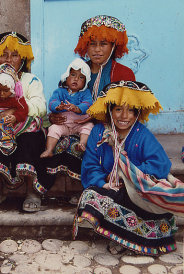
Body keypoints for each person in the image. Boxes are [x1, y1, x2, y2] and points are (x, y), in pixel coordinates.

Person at [73, 80, 180, 256]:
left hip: (136, 192)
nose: (124, 116)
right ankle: (121, 236)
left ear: (137, 113)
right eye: (118, 109)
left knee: (139, 201)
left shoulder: (142, 134)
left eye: (130, 110)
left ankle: (126, 239)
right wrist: (103, 182)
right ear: (109, 110)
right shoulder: (98, 133)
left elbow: (160, 164)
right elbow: (90, 165)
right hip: (109, 188)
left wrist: (126, 174)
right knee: (90, 196)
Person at [41, 15, 136, 196]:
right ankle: (61, 190)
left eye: (103, 44)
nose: (97, 50)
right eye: (93, 44)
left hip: (109, 128)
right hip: (74, 126)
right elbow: (58, 99)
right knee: (55, 137)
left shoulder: (124, 73)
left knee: (96, 142)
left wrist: (94, 116)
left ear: (114, 45)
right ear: (86, 45)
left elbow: (128, 111)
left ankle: (94, 189)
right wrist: (53, 116)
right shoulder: (77, 72)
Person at [0, 31, 47, 212]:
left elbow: (40, 107)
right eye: (3, 55)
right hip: (1, 129)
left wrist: (12, 110)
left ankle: (32, 191)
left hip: (26, 129)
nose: (9, 59)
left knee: (27, 140)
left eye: (14, 55)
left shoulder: (31, 81)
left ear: (23, 58)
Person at [40, 58, 93, 158]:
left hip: (79, 124)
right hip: (63, 124)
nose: (76, 79)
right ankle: (49, 150)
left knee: (89, 126)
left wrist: (77, 108)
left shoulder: (85, 93)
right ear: (66, 77)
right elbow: (52, 102)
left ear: (85, 82)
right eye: (73, 75)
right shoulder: (60, 91)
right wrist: (58, 107)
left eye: (81, 77)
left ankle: (81, 144)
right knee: (53, 128)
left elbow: (88, 104)